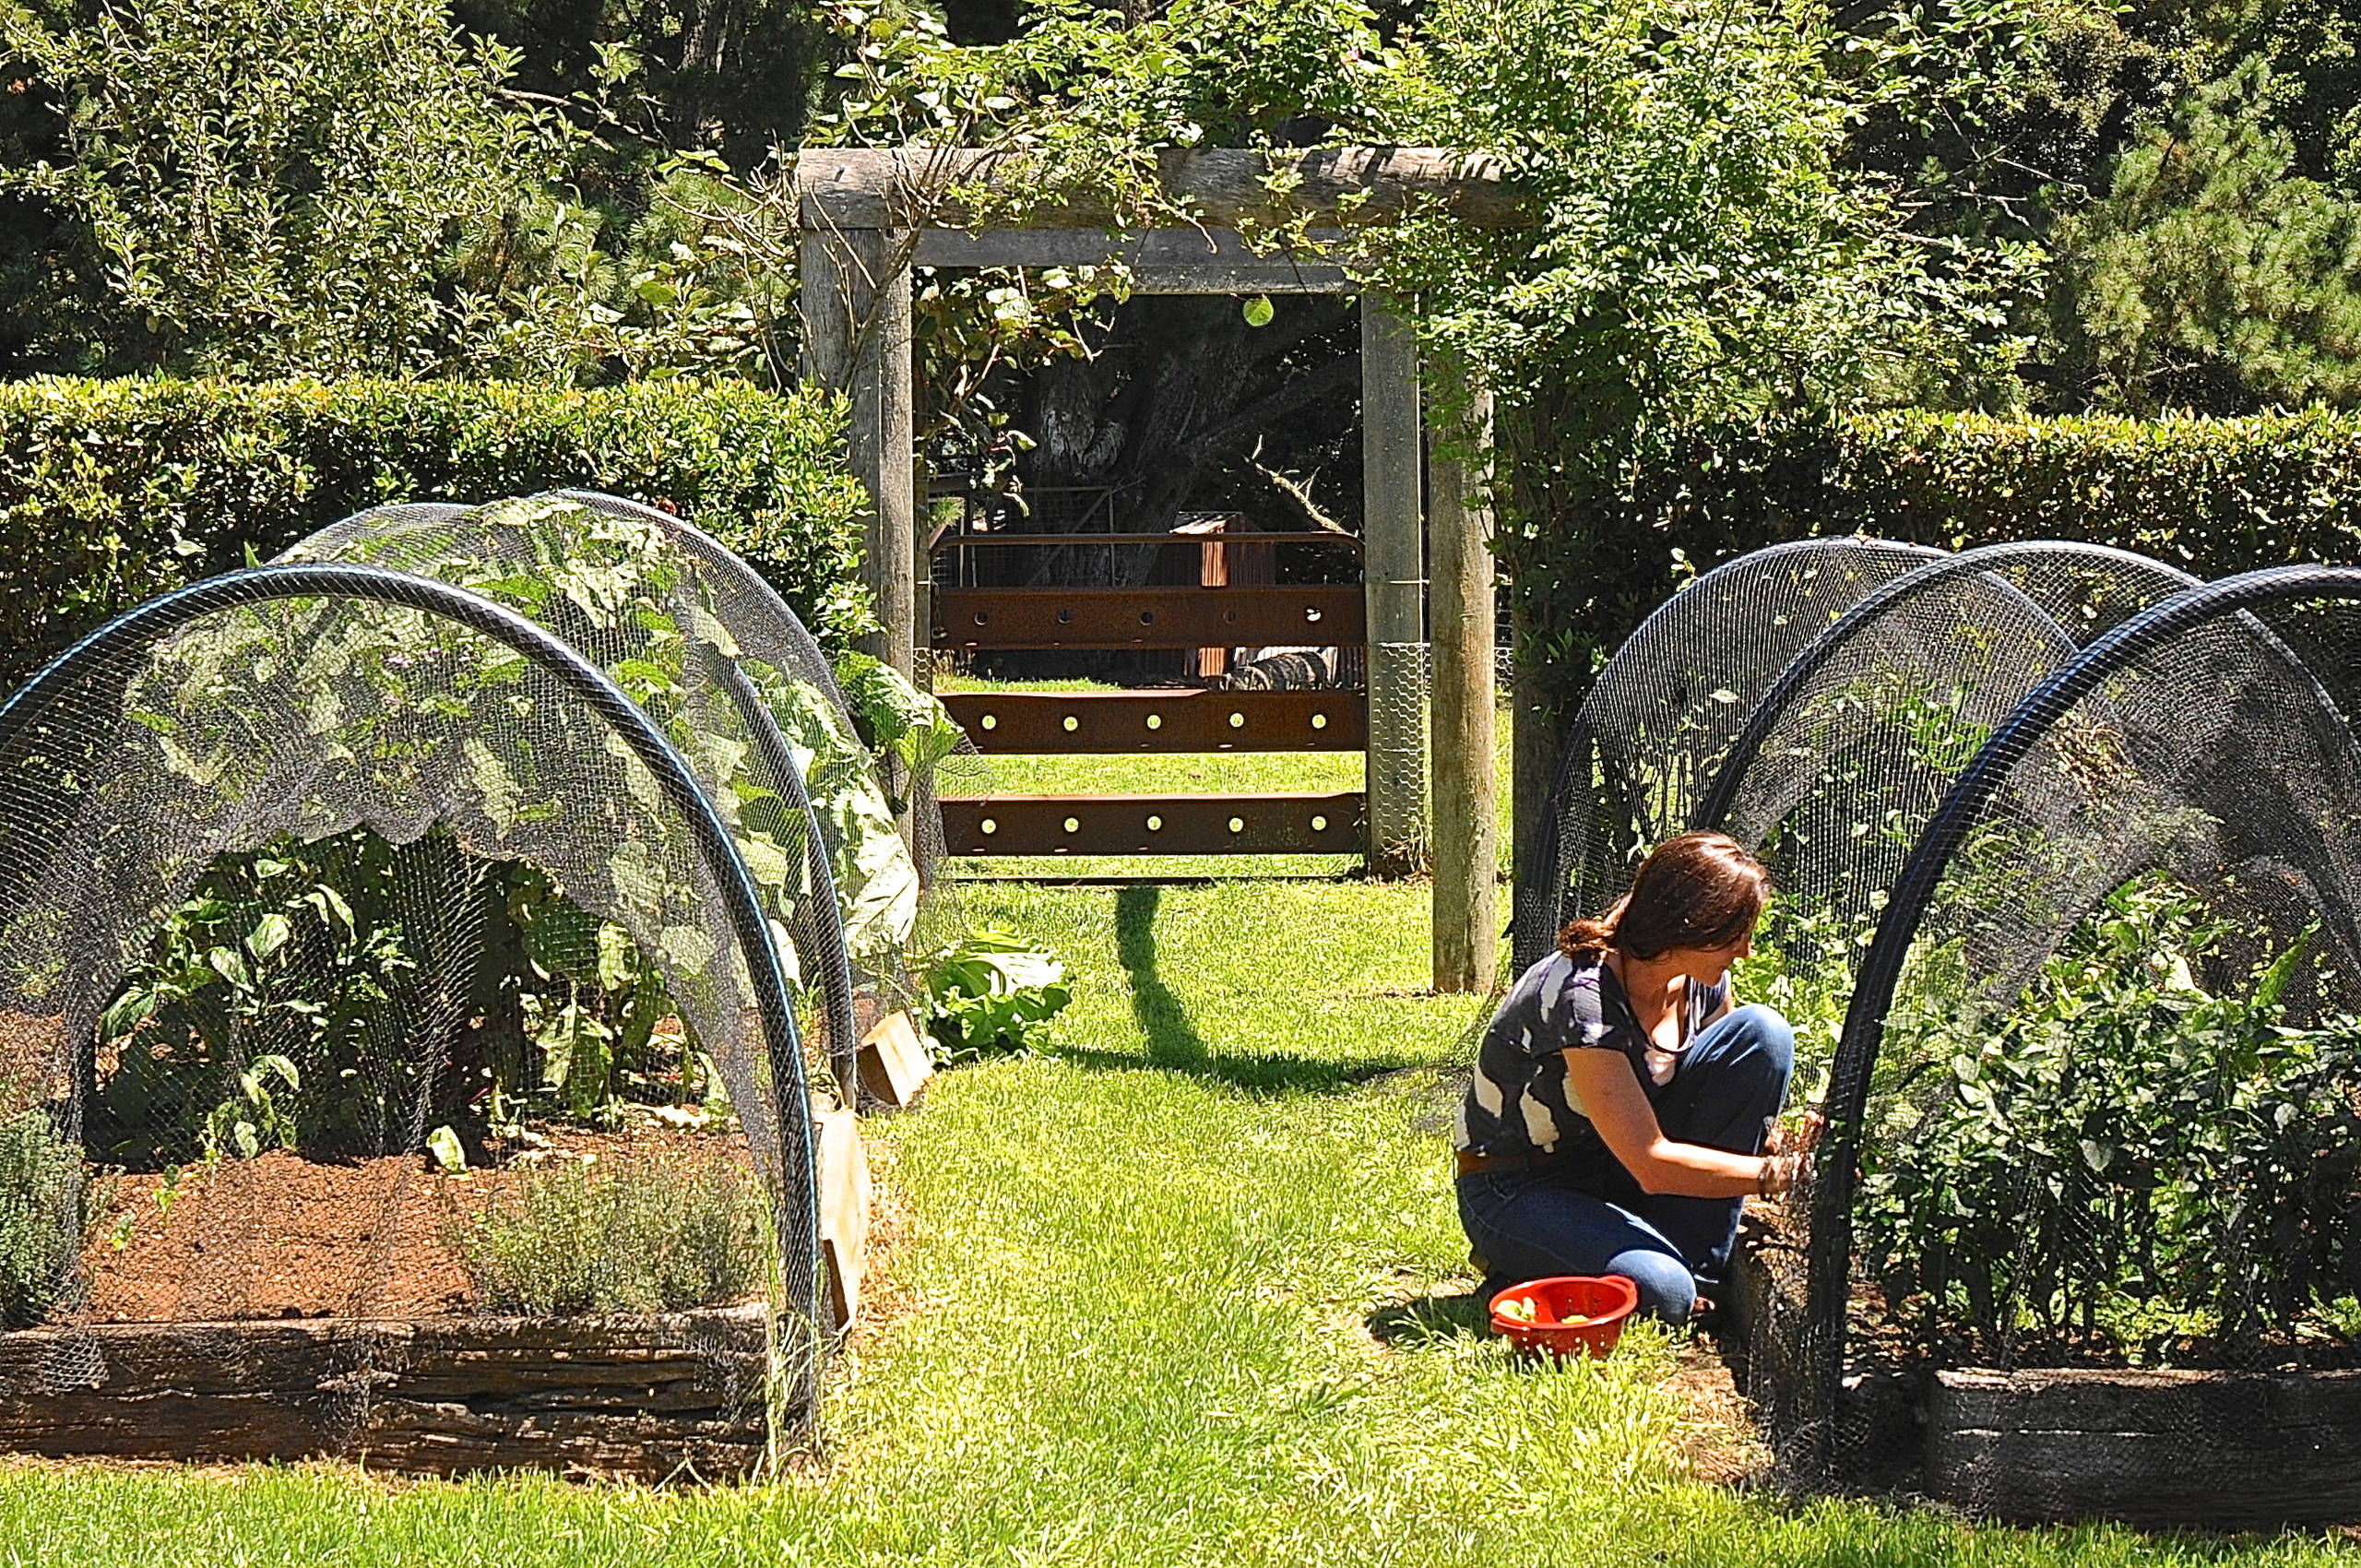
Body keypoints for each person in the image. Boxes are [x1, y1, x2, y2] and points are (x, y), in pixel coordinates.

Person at [1455, 831, 1815, 1325]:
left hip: (1611, 1164)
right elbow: (1650, 1162)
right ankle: (1524, 1260)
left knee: (1762, 1033)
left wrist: (1773, 1141)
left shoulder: (1701, 981)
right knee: (1663, 1293)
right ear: (1690, 927)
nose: (1747, 952)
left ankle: (1694, 1273)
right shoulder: (1583, 996)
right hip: (1519, 1184)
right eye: (1736, 935)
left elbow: (1716, 1092)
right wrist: (1782, 1178)